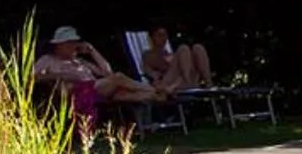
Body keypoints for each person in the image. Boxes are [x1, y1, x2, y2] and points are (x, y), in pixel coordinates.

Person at [34, 27, 162, 108]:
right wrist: (61, 75)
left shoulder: (79, 61)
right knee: (118, 78)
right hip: (79, 92)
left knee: (125, 94)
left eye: (75, 43)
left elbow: (107, 72)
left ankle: (158, 94)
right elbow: (33, 77)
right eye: (70, 43)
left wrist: (92, 50)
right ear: (59, 45)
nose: (74, 46)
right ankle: (158, 90)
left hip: (97, 91)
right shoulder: (48, 59)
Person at [141, 27, 214, 96]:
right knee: (183, 49)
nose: (163, 38)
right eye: (160, 35)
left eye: (165, 35)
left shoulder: (169, 54)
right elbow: (148, 72)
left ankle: (209, 84)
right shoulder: (148, 55)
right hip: (168, 85)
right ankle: (186, 81)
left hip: (182, 81)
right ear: (152, 37)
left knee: (198, 48)